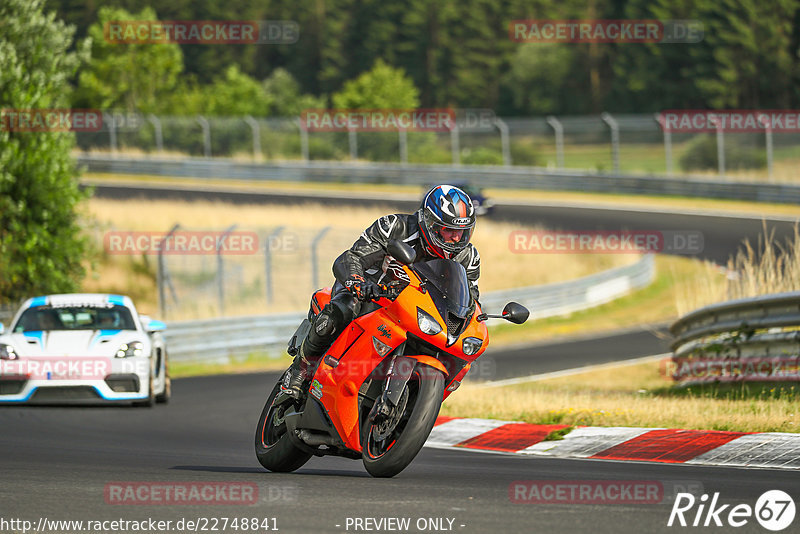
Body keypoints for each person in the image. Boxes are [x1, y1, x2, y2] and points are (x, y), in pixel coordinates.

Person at [282, 184, 482, 398]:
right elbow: (353, 257)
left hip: (414, 309)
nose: (456, 239)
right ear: (429, 223)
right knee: (344, 308)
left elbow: (469, 298)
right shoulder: (394, 227)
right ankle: (300, 369)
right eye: (448, 230)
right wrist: (358, 282)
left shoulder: (468, 257)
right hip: (371, 292)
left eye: (461, 232)